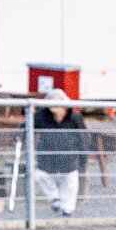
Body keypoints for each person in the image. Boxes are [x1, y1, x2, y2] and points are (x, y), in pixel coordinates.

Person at [33, 89, 88, 217]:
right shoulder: (42, 115)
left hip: (69, 157)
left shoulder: (75, 117)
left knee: (70, 183)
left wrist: (83, 156)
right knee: (40, 176)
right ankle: (54, 198)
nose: (56, 111)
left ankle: (67, 210)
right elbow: (29, 126)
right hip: (47, 156)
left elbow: (83, 137)